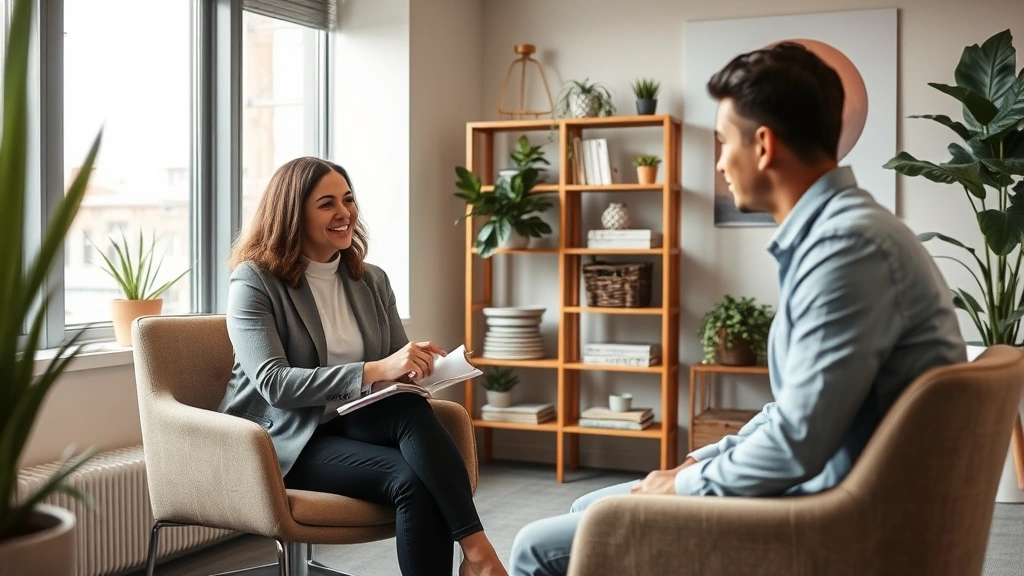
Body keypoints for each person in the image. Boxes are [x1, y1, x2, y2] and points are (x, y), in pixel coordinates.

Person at [509, 42, 967, 576]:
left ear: (765, 146)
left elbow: (797, 443)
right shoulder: (843, 234)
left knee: (538, 547)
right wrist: (700, 461)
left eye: (723, 142)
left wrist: (681, 486)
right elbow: (794, 411)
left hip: (838, 522)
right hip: (835, 491)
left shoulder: (847, 249)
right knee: (592, 508)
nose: (721, 162)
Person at [219, 157, 508, 576]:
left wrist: (415, 368)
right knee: (412, 482)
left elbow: (392, 367)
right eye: (327, 203)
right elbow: (275, 384)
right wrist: (378, 369)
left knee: (408, 407)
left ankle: (478, 554)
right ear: (292, 214)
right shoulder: (255, 281)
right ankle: (479, 553)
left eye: (349, 199)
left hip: (351, 418)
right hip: (282, 437)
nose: (345, 213)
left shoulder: (371, 280)